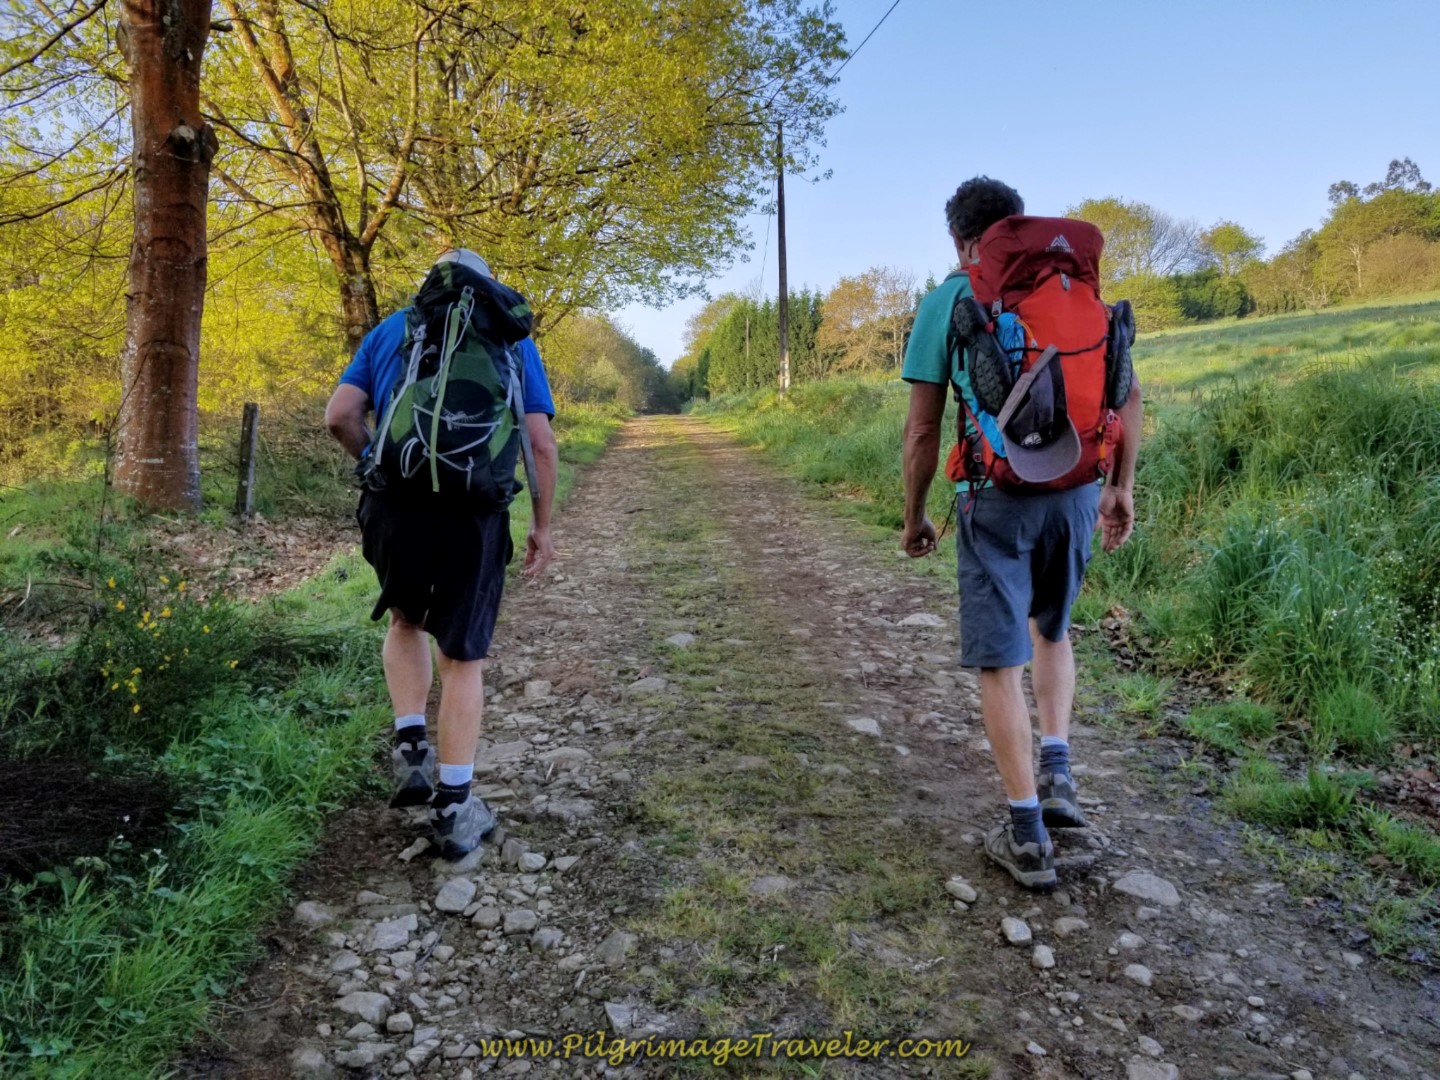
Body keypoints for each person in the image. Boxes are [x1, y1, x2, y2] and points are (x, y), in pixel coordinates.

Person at [899, 178, 1142, 889]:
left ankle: (1027, 833)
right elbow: (1126, 391)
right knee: (1053, 631)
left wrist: (915, 515)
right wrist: (1121, 486)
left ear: (959, 239)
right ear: (1017, 225)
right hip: (1078, 490)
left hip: (993, 496)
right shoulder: (1074, 288)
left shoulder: (948, 299)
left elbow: (922, 429)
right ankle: (1059, 770)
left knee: (1000, 663)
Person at [324, 248, 559, 858]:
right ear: (488, 284)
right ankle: (455, 809)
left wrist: (378, 467)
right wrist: (541, 526)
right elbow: (539, 442)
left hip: (394, 508)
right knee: (462, 655)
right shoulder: (509, 337)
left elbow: (340, 416)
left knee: (405, 620)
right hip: (473, 514)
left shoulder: (391, 329)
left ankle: (410, 748)